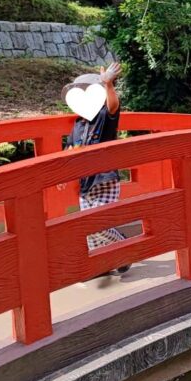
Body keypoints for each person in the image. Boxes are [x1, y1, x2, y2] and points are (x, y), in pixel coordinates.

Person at [62, 61, 130, 273]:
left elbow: (113, 107)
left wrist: (108, 85)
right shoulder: (78, 124)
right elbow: (70, 150)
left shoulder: (103, 117)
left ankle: (123, 248)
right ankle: (101, 265)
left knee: (96, 225)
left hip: (104, 178)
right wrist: (62, 175)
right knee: (88, 228)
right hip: (85, 180)